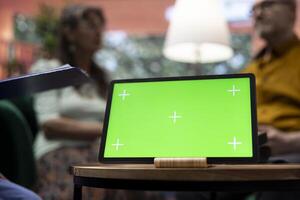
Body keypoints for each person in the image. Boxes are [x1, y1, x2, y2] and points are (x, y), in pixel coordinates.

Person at [31, 4, 110, 199]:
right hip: (58, 147)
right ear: (70, 33)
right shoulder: (49, 68)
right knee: (78, 185)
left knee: (132, 182)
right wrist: (103, 129)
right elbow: (49, 124)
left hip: (98, 151)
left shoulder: (104, 78)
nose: (98, 32)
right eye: (90, 26)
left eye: (100, 26)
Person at [244, 0, 300, 158]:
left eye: (267, 5)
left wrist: (290, 141)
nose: (258, 14)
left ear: (291, 12)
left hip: (292, 156)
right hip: (251, 157)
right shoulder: (250, 70)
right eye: (253, 10)